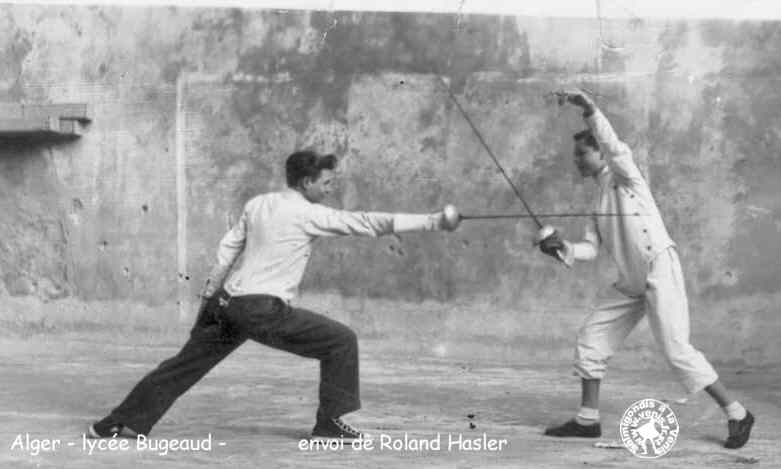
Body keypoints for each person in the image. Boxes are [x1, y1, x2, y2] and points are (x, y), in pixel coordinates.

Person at [88, 150, 460, 441]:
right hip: (262, 310)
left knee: (181, 366)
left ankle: (116, 424)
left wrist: (207, 303)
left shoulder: (258, 204)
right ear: (306, 181)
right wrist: (434, 221)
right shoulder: (306, 213)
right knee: (341, 341)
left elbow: (225, 254)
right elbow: (365, 223)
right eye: (326, 183)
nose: (329, 189)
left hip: (227, 304)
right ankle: (329, 426)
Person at [536, 90, 754, 449]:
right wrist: (562, 248)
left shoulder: (625, 178)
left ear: (599, 153)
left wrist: (589, 109)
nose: (576, 160)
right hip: (632, 281)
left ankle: (737, 412)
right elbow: (590, 249)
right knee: (592, 339)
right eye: (576, 154)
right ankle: (587, 420)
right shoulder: (597, 202)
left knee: (677, 350)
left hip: (658, 268)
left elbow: (616, 146)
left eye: (582, 153)